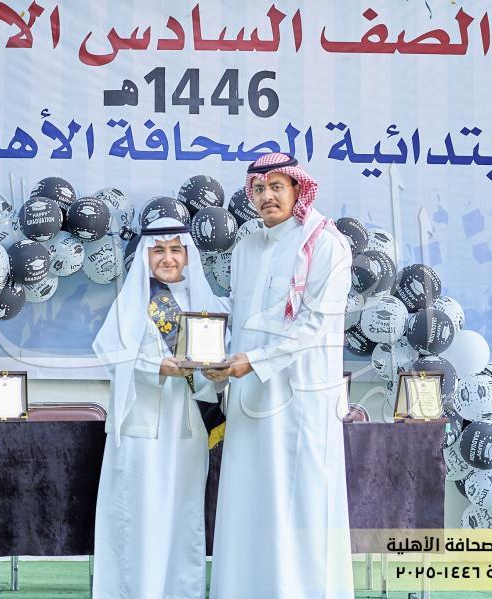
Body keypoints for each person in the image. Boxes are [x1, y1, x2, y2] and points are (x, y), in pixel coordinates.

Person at [204, 153, 355, 598]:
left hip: (301, 401)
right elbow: (240, 317)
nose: (267, 196)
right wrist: (212, 354)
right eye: (259, 188)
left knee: (300, 505)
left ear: (297, 189)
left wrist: (253, 361)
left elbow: (315, 325)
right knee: (249, 502)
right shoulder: (247, 246)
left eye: (276, 187)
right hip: (249, 398)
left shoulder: (326, 245)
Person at [91, 217, 223, 599]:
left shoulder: (204, 303)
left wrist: (218, 374)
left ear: (187, 255)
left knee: (184, 517)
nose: (168, 258)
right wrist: (157, 367)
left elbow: (222, 363)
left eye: (176, 250)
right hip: (141, 429)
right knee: (139, 515)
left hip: (189, 431)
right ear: (146, 256)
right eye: (159, 250)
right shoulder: (132, 300)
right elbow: (110, 354)